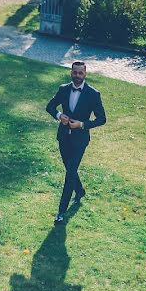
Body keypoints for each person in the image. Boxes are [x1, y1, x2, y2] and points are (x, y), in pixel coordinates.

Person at [45, 61, 107, 224]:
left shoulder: (93, 94)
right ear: (71, 73)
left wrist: (82, 124)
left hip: (80, 140)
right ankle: (79, 191)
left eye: (80, 73)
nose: (77, 76)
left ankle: (61, 212)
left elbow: (102, 119)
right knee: (70, 169)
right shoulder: (63, 89)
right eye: (75, 72)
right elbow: (50, 107)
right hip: (64, 137)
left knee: (70, 173)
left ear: (85, 74)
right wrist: (59, 116)